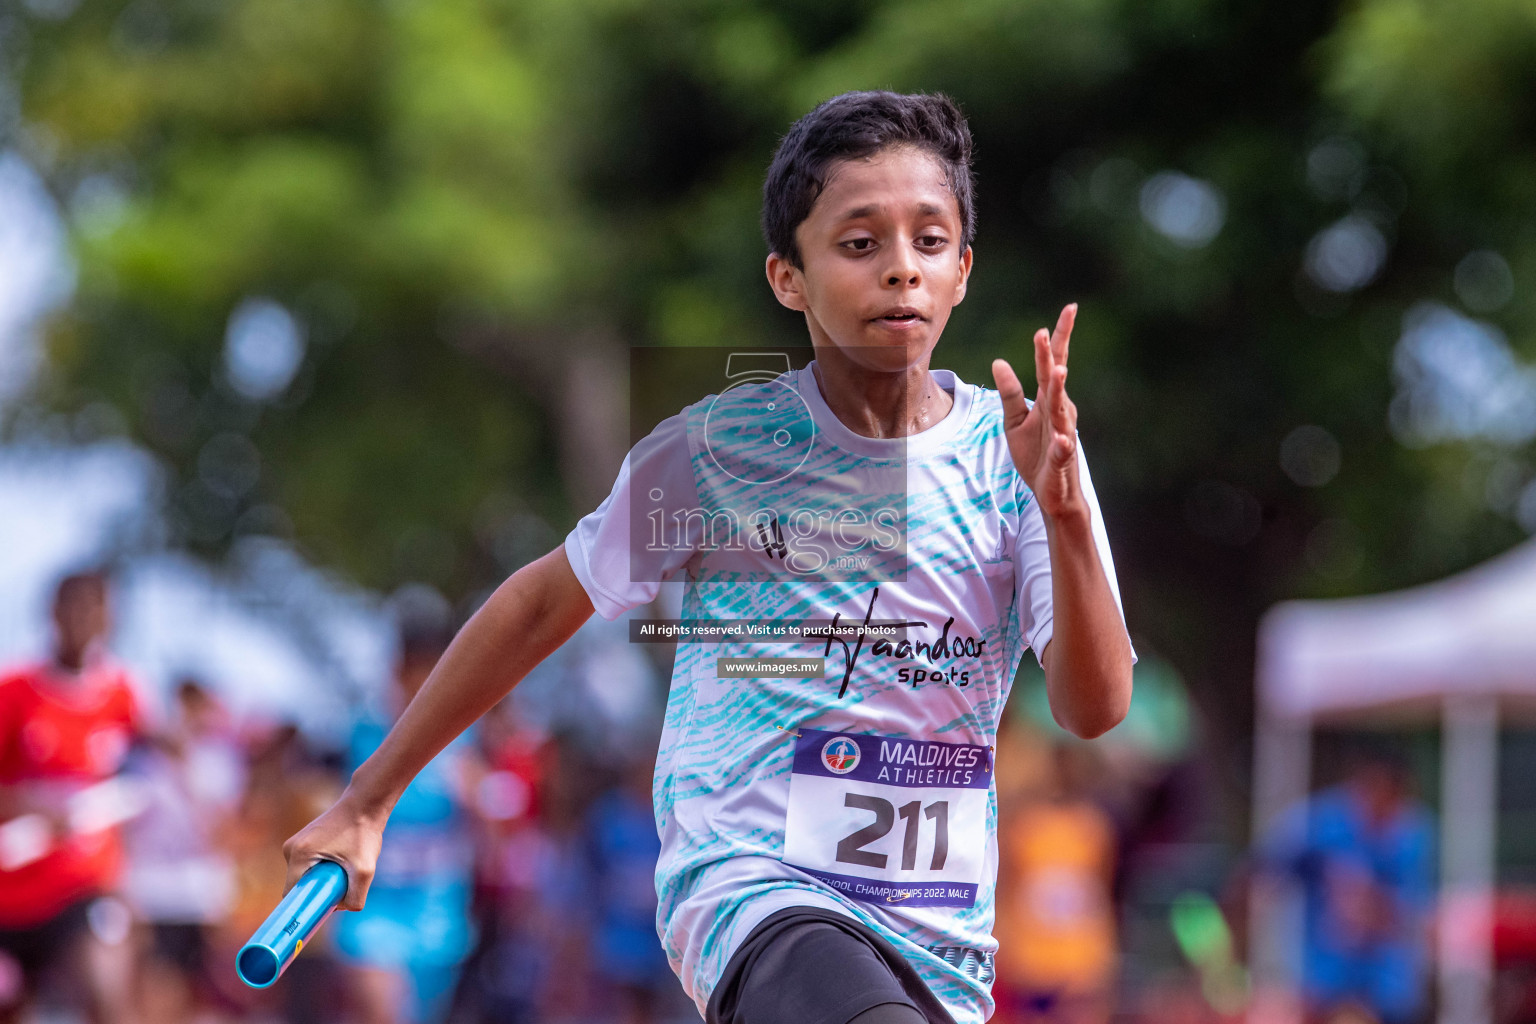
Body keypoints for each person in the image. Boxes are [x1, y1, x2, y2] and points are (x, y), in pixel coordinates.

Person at [283, 90, 1135, 1024]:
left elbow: (1094, 709)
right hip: (753, 891)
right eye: (860, 244)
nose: (902, 271)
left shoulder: (1021, 451)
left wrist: (1064, 517)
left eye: (929, 242)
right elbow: (541, 605)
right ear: (789, 277)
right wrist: (369, 798)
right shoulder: (717, 451)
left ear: (964, 269)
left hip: (938, 939)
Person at [0, 569, 141, 1024]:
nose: (83, 619)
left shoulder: (123, 697)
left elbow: (143, 787)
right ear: (53, 613)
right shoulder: (15, 693)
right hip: (12, 890)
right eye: (74, 607)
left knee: (107, 992)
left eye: (95, 608)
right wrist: (27, 805)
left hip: (82, 888)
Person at [329, 614, 482, 1024]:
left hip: (438, 914)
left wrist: (479, 800)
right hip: (373, 911)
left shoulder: (465, 736)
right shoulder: (364, 732)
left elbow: (487, 826)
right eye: (419, 668)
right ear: (398, 667)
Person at [1258, 752, 1434, 1024]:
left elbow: (1413, 908)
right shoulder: (1320, 822)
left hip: (1388, 981)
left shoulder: (1412, 834)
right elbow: (1267, 870)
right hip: (1326, 976)